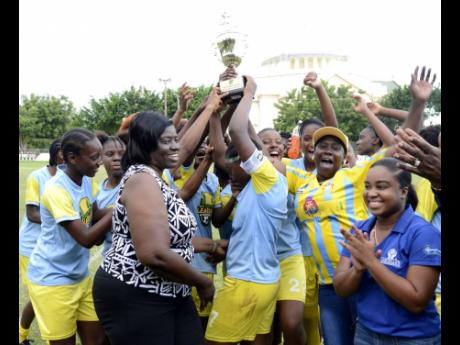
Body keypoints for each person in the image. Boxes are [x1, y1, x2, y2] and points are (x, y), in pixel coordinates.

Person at [92, 101, 228, 344]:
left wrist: (209, 108)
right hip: (136, 292)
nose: (176, 145)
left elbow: (184, 146)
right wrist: (203, 282)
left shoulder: (157, 175)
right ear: (147, 145)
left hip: (172, 290)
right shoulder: (142, 180)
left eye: (175, 139)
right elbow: (154, 254)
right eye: (167, 141)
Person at [205, 76, 287, 345]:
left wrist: (249, 92)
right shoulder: (253, 187)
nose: (230, 170)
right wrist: (216, 114)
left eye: (237, 162)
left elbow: (239, 132)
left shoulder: (269, 180)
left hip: (245, 284)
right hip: (263, 281)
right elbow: (220, 155)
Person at [333, 158, 441, 344]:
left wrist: (371, 263)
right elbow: (341, 289)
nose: (371, 193)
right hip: (365, 333)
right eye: (367, 186)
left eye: (381, 187)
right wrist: (357, 270)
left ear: (403, 191)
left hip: (412, 338)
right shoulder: (360, 230)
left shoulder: (423, 233)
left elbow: (416, 302)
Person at [26, 128, 113, 345]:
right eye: (94, 157)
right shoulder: (56, 190)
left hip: (80, 276)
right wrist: (122, 209)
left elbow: (95, 214)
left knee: (97, 340)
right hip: (52, 280)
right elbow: (85, 238)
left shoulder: (85, 180)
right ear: (72, 158)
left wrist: (127, 206)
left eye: (100, 156)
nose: (100, 162)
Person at [258, 127, 306, 345]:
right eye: (266, 142)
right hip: (260, 260)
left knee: (291, 322)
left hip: (289, 256)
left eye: (278, 141)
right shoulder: (251, 171)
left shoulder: (291, 170)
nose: (274, 145)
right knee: (264, 328)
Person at [19, 138, 64, 345]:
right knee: (42, 299)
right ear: (58, 155)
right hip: (30, 248)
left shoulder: (68, 178)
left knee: (42, 298)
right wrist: (65, 219)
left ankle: (21, 335)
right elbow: (31, 214)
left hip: (52, 249)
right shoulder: (38, 177)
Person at [92, 132, 126, 257]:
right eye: (110, 154)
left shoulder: (135, 182)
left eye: (122, 154)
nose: (117, 158)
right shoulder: (96, 193)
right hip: (111, 261)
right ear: (100, 158)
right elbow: (97, 240)